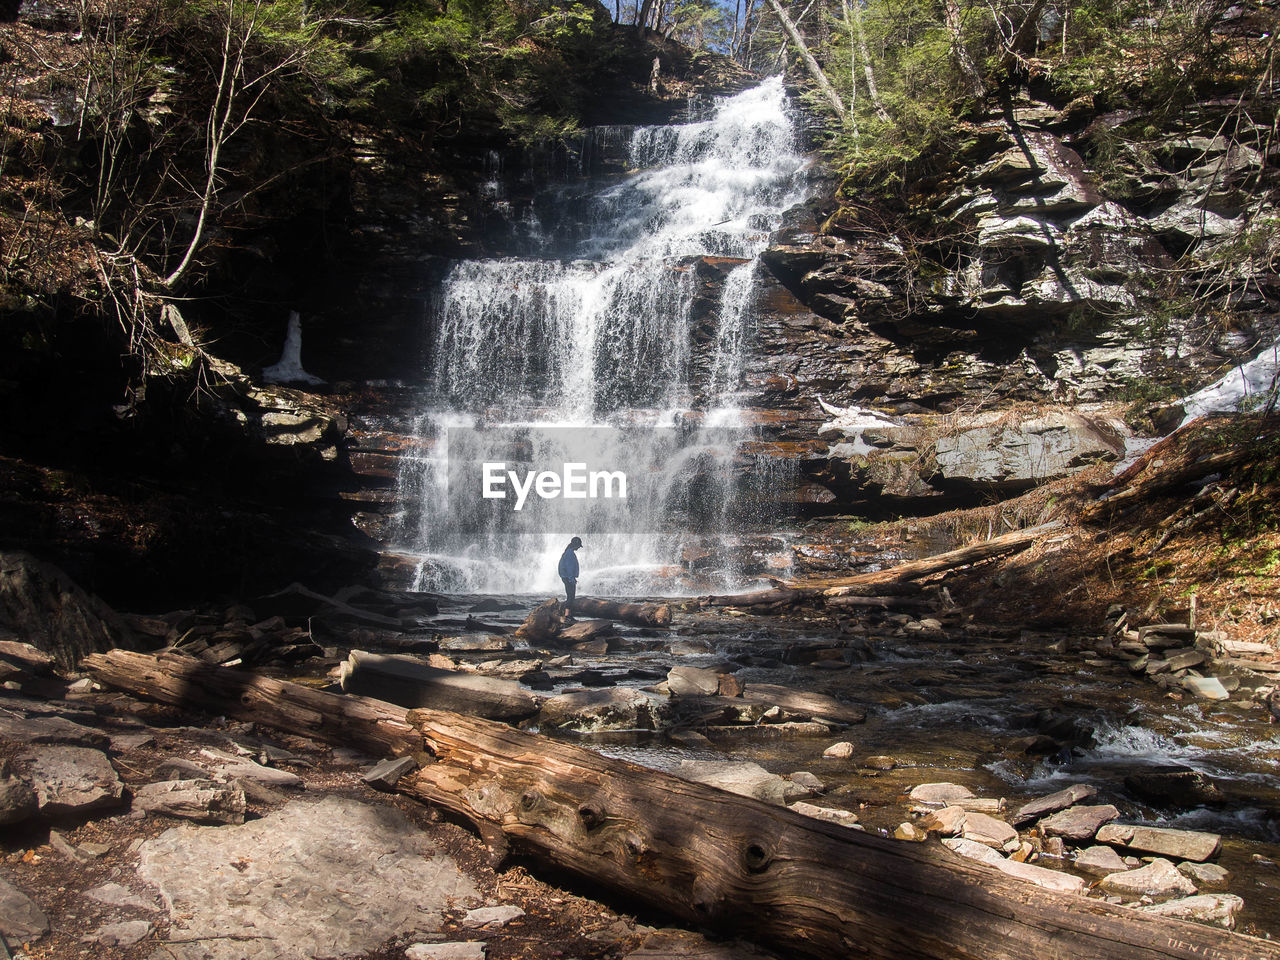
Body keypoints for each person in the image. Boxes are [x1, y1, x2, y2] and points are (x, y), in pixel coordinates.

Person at [558, 536, 582, 616]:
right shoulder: (570, 553)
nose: (579, 548)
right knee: (571, 597)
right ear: (576, 545)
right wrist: (572, 579)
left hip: (566, 577)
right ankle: (567, 615)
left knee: (570, 595)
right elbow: (569, 567)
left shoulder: (568, 552)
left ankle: (568, 614)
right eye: (579, 546)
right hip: (568, 578)